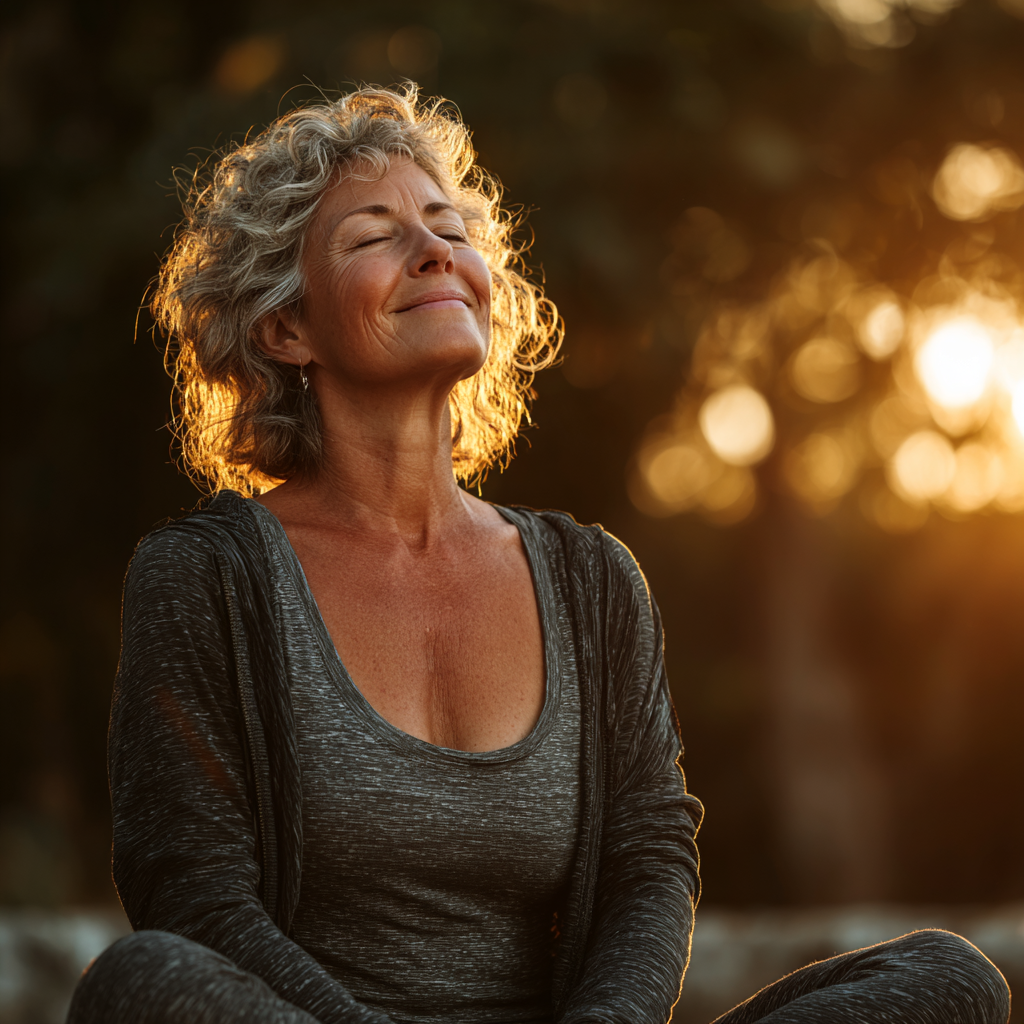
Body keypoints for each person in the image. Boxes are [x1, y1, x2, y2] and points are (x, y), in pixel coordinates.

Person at [67, 85, 1009, 1024]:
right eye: (372, 237)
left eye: (447, 227)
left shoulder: (591, 578)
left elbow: (648, 857)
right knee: (144, 981)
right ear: (286, 329)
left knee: (945, 980)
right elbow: (193, 895)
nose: (434, 249)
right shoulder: (205, 577)